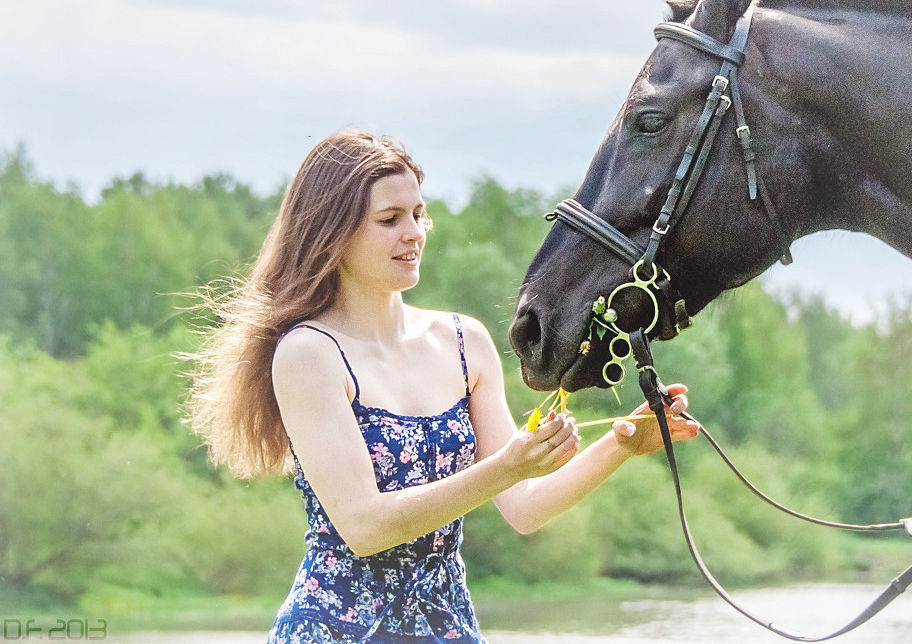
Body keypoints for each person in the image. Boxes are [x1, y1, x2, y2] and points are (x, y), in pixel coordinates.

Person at [186, 129, 698, 644]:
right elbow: (364, 528)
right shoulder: (308, 354)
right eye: (389, 220)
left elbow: (524, 507)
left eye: (417, 214)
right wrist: (505, 467)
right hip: (335, 629)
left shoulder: (463, 342)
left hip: (447, 629)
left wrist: (622, 445)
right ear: (332, 233)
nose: (413, 233)